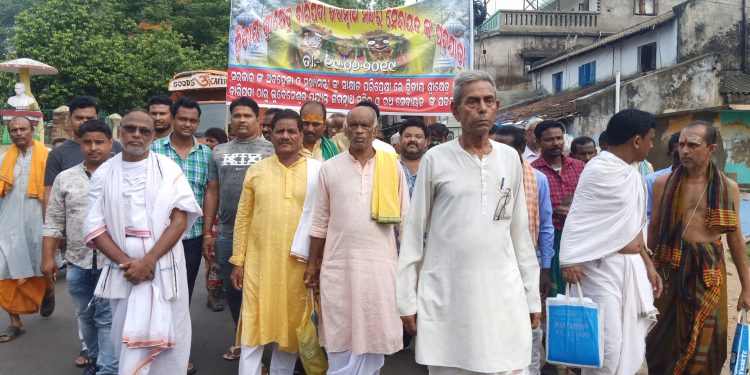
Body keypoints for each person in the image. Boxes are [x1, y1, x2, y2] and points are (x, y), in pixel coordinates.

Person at [398, 71, 541, 375]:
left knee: (509, 365)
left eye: (488, 100)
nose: (482, 108)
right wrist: (407, 299)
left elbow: (519, 234)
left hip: (502, 293)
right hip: (449, 295)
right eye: (473, 101)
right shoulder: (436, 159)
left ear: (497, 105)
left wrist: (531, 296)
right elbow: (413, 232)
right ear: (455, 110)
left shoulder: (509, 159)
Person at [82, 109, 202, 374]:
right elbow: (94, 228)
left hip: (164, 266)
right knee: (125, 333)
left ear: (152, 135)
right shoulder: (104, 173)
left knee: (173, 332)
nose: (136, 134)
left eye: (144, 131)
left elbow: (179, 221)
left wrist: (147, 262)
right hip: (124, 271)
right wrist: (129, 265)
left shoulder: (168, 169)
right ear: (119, 131)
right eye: (130, 128)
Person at [304, 106, 409, 374]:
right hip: (339, 265)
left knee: (375, 329)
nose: (360, 131)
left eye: (366, 126)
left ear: (376, 130)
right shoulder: (329, 169)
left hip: (381, 266)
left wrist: (409, 269)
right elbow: (319, 221)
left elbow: (405, 222)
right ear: (345, 130)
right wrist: (312, 264)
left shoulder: (392, 167)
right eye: (354, 126)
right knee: (340, 329)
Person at [561, 109, 661, 374]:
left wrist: (648, 264)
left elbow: (634, 225)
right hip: (600, 268)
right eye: (651, 139)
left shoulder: (632, 173)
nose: (653, 145)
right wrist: (569, 259)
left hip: (630, 267)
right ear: (637, 140)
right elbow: (578, 218)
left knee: (629, 343)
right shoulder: (600, 169)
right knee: (606, 347)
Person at [647, 121, 750, 374]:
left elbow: (735, 240)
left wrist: (747, 288)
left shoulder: (729, 188)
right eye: (681, 144)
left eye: (693, 145)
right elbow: (654, 230)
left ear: (711, 148)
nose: (684, 150)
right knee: (661, 341)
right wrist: (646, 270)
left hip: (709, 274)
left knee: (708, 342)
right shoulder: (663, 183)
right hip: (668, 270)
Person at [230, 109, 319, 375]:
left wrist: (318, 263)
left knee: (290, 331)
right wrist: (238, 261)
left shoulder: (318, 172)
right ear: (271, 135)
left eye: (292, 131)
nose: (285, 136)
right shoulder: (256, 171)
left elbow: (324, 222)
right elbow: (243, 218)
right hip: (259, 265)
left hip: (298, 267)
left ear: (302, 135)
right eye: (280, 130)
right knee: (252, 330)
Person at [41, 119, 118, 375]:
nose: (93, 147)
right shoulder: (66, 178)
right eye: (87, 142)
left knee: (106, 318)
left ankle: (108, 368)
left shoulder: (121, 175)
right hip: (77, 260)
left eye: (99, 142)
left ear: (110, 144)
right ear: (79, 144)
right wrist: (48, 257)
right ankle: (94, 358)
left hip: (113, 263)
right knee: (84, 315)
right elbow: (53, 220)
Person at [202, 97, 275, 361]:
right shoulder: (218, 152)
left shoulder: (272, 148)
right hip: (228, 234)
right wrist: (209, 232)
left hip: (265, 235)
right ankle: (241, 339)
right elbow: (212, 191)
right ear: (231, 119)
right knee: (234, 290)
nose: (241, 120)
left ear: (258, 119)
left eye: (247, 115)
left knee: (265, 291)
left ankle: (266, 349)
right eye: (237, 115)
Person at [491, 125, 554, 375]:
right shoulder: (485, 176)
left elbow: (546, 225)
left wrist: (545, 268)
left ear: (519, 149)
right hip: (492, 261)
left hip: (526, 261)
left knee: (530, 322)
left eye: (504, 147)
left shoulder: (537, 179)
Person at [151, 97, 211, 302]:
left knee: (185, 291)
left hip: (192, 236)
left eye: (192, 121)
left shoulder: (207, 154)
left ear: (198, 123)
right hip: (158, 234)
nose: (187, 124)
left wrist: (207, 234)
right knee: (156, 289)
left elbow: (210, 194)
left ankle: (178, 333)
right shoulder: (153, 151)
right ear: (173, 119)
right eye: (182, 119)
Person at [0, 116, 49, 343]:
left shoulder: (48, 156)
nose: (18, 133)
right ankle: (15, 322)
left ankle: (48, 290)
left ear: (33, 129)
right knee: (4, 270)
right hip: (8, 224)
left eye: (23, 129)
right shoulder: (2, 160)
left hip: (39, 222)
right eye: (14, 130)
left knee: (43, 266)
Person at [531, 120, 585, 296]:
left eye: (559, 138)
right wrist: (552, 212)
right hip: (549, 238)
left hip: (577, 236)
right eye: (549, 139)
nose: (556, 143)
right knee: (554, 292)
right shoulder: (533, 172)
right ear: (538, 142)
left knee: (579, 289)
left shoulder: (578, 167)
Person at [45, 96, 123, 207]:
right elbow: (49, 195)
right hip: (74, 220)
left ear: (97, 118)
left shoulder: (116, 148)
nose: (84, 122)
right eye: (79, 118)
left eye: (89, 118)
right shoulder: (57, 154)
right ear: (69, 118)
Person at [200, 127, 227, 312]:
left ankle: (222, 288)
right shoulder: (206, 161)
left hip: (226, 217)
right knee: (212, 258)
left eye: (212, 141)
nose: (208, 144)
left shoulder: (224, 160)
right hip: (211, 217)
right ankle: (211, 294)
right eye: (207, 141)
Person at [645, 132, 680, 220]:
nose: (684, 158)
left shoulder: (702, 182)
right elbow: (646, 216)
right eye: (678, 155)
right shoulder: (652, 180)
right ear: (669, 155)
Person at [399, 118, 429, 197]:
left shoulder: (432, 166)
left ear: (426, 142)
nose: (412, 139)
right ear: (400, 139)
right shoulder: (390, 164)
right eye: (407, 136)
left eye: (418, 137)